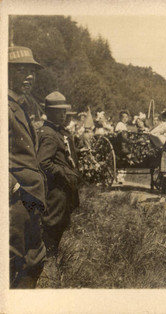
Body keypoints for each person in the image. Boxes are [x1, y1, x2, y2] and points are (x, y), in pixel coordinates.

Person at [8, 45, 47, 288]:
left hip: (32, 196)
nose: (29, 76)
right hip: (18, 198)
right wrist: (12, 187)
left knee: (34, 258)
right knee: (13, 258)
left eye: (32, 71)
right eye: (22, 70)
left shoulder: (21, 106)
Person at [37, 92, 80, 258]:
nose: (63, 115)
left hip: (64, 188)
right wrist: (64, 173)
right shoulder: (48, 134)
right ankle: (48, 259)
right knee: (53, 224)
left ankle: (51, 256)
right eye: (59, 111)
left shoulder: (57, 131)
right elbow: (43, 162)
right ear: (49, 112)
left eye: (64, 111)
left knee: (60, 223)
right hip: (56, 190)